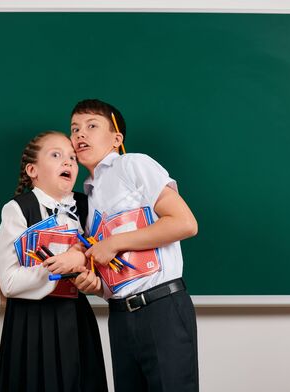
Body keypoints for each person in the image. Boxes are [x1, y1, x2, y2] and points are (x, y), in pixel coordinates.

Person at [70, 99, 199, 392]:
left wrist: (113, 243)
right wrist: (97, 287)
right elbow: (115, 276)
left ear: (117, 138)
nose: (80, 135)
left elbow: (184, 223)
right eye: (74, 129)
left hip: (161, 308)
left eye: (91, 126)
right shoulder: (85, 202)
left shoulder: (132, 164)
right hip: (119, 317)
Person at [0, 131, 108, 392]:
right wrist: (58, 268)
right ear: (32, 170)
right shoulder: (18, 209)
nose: (68, 162)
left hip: (76, 319)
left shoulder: (87, 206)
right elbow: (9, 283)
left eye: (72, 158)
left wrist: (90, 274)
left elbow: (100, 261)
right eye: (56, 155)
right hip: (31, 323)